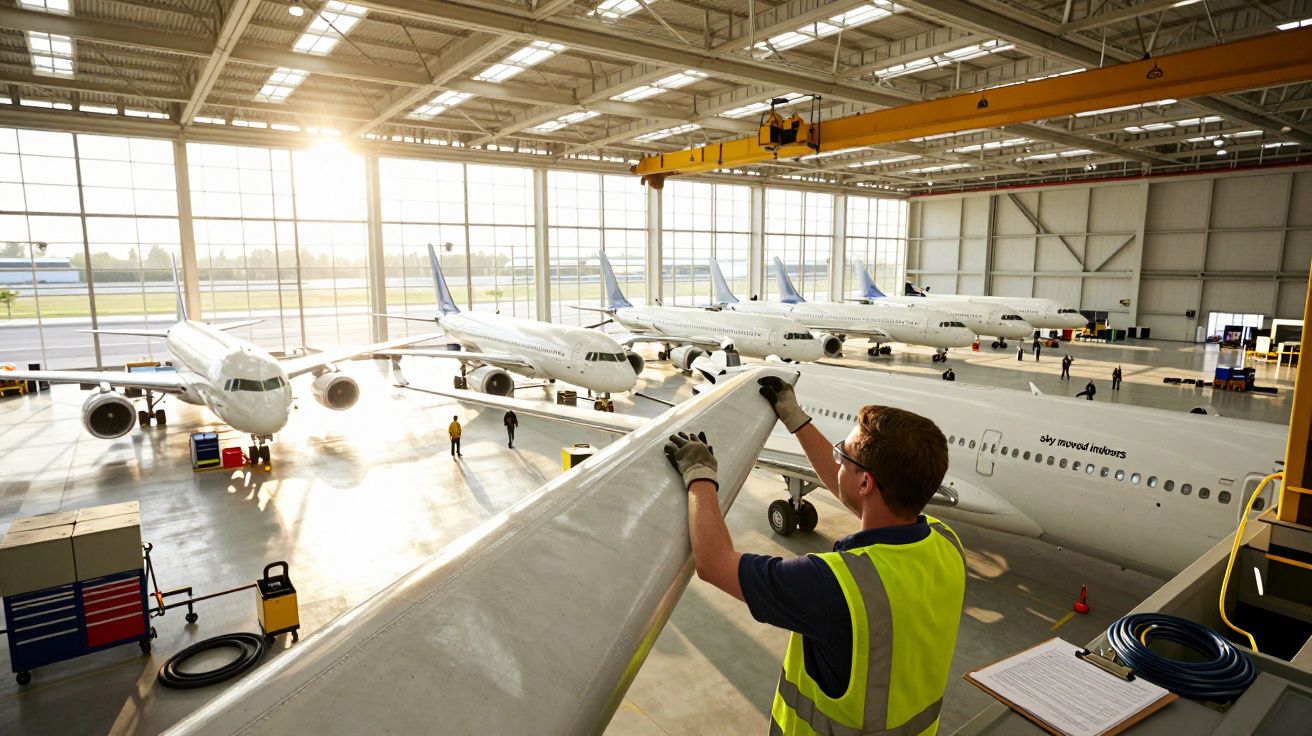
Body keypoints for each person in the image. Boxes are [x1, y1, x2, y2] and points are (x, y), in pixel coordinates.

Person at [665, 377, 965, 736]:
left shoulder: (833, 585)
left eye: (844, 454)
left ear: (866, 482)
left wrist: (700, 477)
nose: (837, 458)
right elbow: (855, 494)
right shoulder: (944, 541)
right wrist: (797, 420)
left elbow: (713, 563)